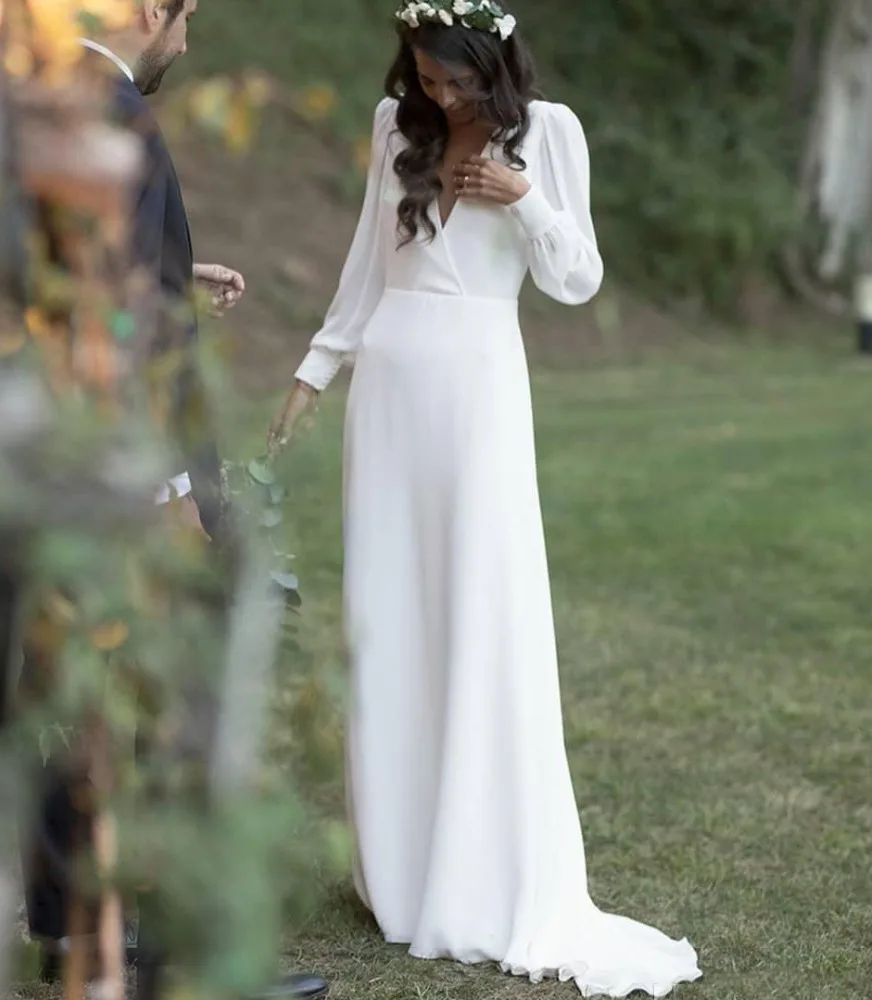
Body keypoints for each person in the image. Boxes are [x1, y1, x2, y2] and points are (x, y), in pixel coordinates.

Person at [269, 2, 702, 996]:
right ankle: (402, 872)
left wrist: (523, 198)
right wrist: (316, 366)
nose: (438, 94)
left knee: (479, 612)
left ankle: (479, 866)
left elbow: (579, 279)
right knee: (388, 618)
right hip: (388, 395)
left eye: (453, 79)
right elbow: (364, 271)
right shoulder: (395, 128)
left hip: (478, 397)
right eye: (423, 75)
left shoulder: (549, 134)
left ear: (492, 59)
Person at [21, 4, 328, 1000]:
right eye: (186, 16)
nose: (186, 43)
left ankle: (70, 933)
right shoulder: (116, 105)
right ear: (152, 10)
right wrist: (169, 495)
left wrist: (167, 270)